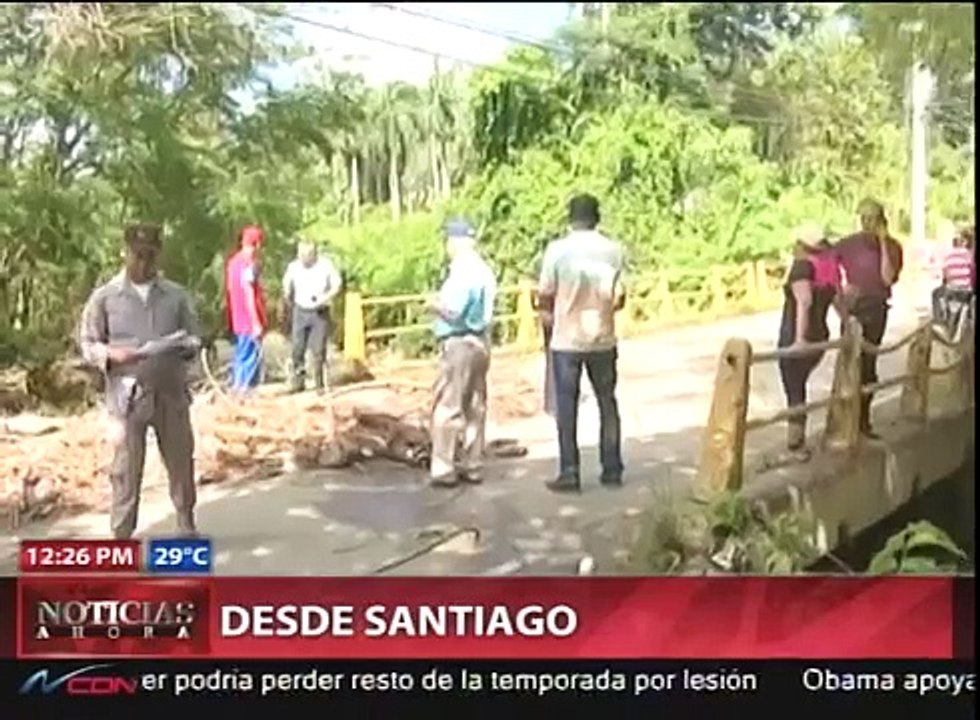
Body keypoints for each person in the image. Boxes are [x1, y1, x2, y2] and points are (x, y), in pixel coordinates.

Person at [78, 223, 202, 539]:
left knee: (180, 460)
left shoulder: (176, 296)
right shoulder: (104, 297)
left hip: (170, 392)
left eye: (150, 257)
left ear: (159, 256)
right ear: (125, 253)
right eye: (137, 256)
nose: (143, 263)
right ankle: (122, 535)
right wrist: (111, 355)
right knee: (125, 470)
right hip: (126, 397)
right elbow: (88, 343)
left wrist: (185, 346)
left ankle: (186, 523)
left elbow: (196, 337)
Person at [537, 194, 625, 493]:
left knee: (567, 406)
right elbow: (620, 297)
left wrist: (548, 325)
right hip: (602, 337)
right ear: (597, 217)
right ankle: (612, 468)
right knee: (607, 401)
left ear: (570, 219)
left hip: (567, 339)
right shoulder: (613, 251)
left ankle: (570, 471)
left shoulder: (556, 251)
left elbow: (545, 294)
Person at [427, 219, 497, 488]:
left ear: (456, 242)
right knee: (475, 406)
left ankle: (443, 467)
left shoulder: (463, 272)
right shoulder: (484, 270)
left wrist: (433, 305)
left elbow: (454, 311)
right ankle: (473, 463)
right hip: (481, 342)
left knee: (449, 406)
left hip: (458, 343)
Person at [834, 199, 904, 438]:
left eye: (872, 219)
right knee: (848, 362)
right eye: (863, 218)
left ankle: (863, 420)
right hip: (853, 308)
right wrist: (839, 295)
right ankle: (844, 419)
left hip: (876, 308)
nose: (867, 224)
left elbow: (887, 278)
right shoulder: (848, 244)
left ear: (881, 220)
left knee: (868, 364)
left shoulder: (893, 246)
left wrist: (883, 242)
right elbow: (824, 264)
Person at [777, 223, 840, 457]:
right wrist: (847, 323)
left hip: (796, 333)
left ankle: (796, 445)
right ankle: (797, 441)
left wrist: (799, 339)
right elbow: (837, 300)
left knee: (794, 387)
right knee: (798, 385)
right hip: (820, 334)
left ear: (801, 245)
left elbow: (804, 301)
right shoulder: (828, 267)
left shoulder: (802, 267)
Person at [282, 240, 343, 392]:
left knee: (318, 349)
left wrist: (327, 296)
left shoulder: (325, 265)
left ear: (314, 254)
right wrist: (287, 295)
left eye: (307, 255)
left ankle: (319, 382)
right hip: (300, 309)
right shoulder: (294, 267)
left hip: (319, 311)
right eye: (301, 255)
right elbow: (286, 285)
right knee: (297, 348)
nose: (304, 258)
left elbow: (337, 283)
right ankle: (298, 381)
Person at [224, 225, 267, 393]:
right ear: (257, 244)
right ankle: (245, 390)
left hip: (238, 316)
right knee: (251, 356)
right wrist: (256, 321)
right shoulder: (250, 264)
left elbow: (230, 290)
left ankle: (237, 386)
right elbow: (248, 292)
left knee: (241, 354)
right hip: (249, 317)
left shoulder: (233, 263)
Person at [931, 226, 975, 328]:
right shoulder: (969, 255)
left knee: (935, 294)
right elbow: (972, 271)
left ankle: (938, 321)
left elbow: (945, 276)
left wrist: (947, 283)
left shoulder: (948, 256)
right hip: (967, 291)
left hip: (952, 291)